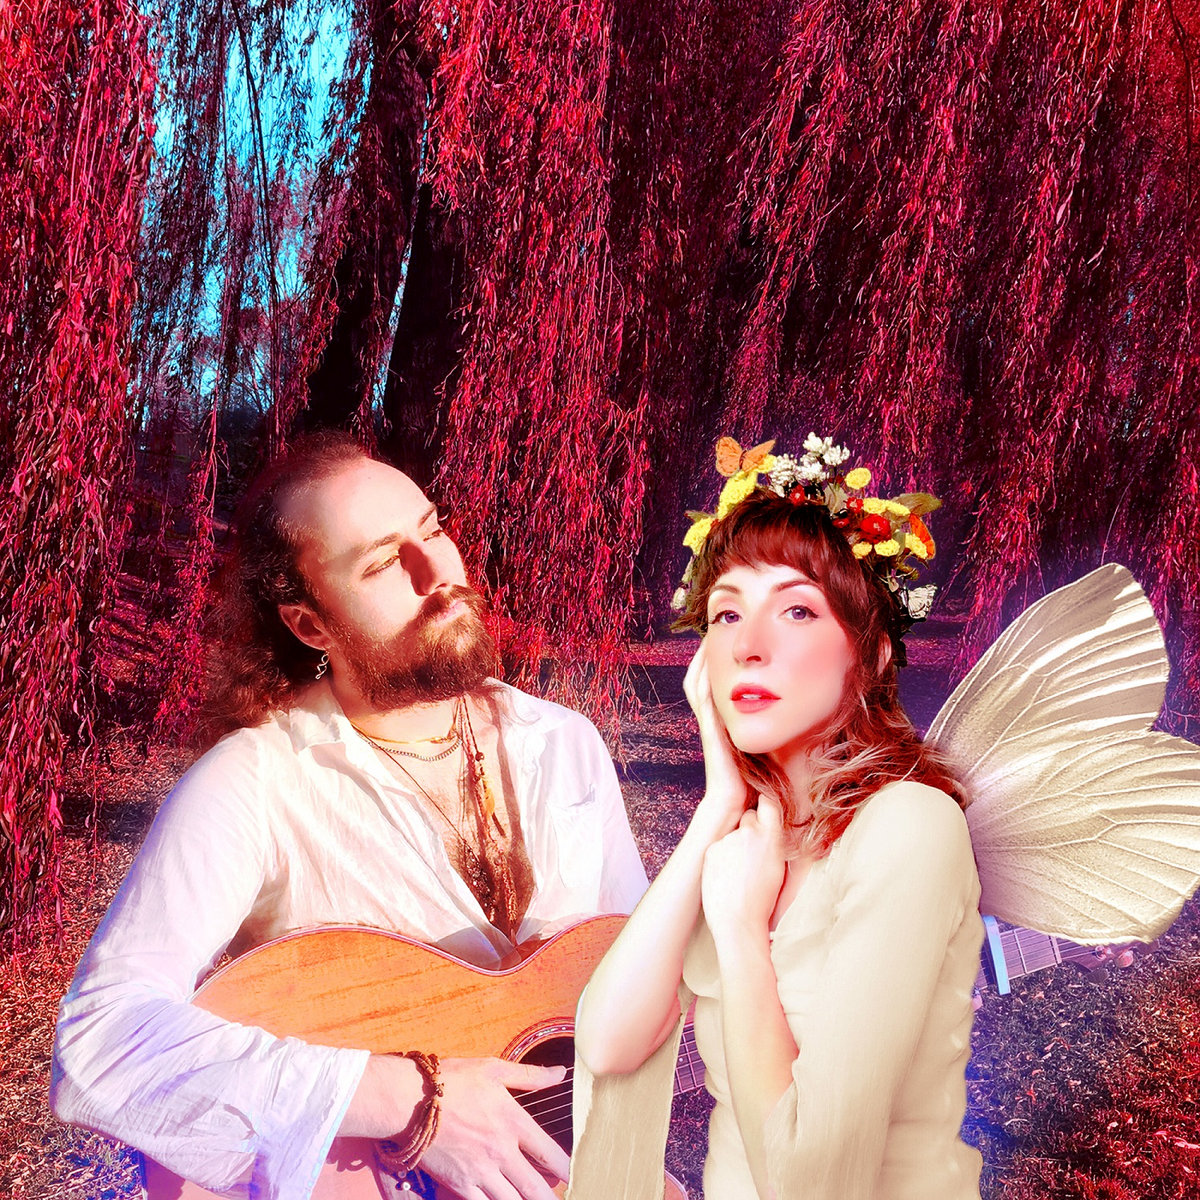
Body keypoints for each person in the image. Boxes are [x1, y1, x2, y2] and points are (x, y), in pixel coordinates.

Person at [51, 432, 648, 1200]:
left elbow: (633, 978)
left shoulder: (563, 743)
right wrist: (413, 1101)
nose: (438, 574)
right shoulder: (254, 781)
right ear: (310, 625)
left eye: (433, 530)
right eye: (382, 563)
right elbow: (101, 1043)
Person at [569, 435, 983, 1200]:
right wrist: (716, 807)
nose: (749, 645)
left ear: (871, 657)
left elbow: (810, 1185)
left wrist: (739, 932)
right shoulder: (747, 835)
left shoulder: (908, 829)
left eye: (796, 609)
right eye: (727, 614)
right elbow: (609, 1044)